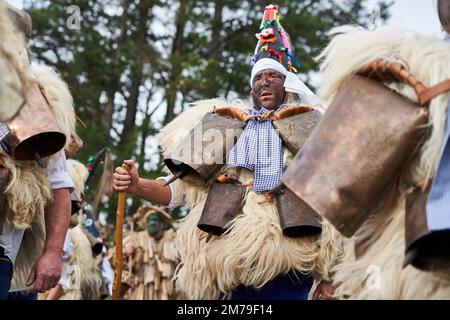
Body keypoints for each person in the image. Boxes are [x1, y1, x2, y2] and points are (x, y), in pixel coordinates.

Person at [114, 4, 341, 300]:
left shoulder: (311, 128)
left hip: (290, 262)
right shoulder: (221, 126)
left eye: (273, 75)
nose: (264, 81)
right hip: (226, 269)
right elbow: (177, 191)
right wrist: (136, 184)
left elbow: (337, 201)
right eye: (258, 78)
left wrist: (330, 275)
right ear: (251, 91)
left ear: (289, 86)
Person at [111, 206, 183, 300]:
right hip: (140, 291)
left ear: (162, 223)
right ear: (145, 223)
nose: (152, 222)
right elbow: (113, 259)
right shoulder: (135, 238)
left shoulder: (173, 240)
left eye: (155, 220)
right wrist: (124, 252)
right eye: (149, 220)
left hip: (167, 292)